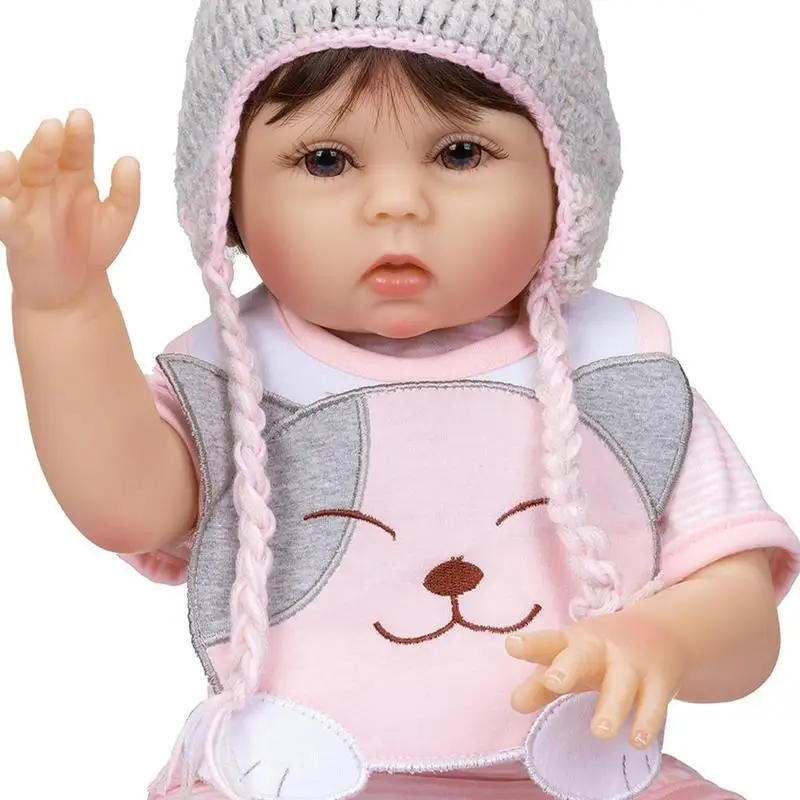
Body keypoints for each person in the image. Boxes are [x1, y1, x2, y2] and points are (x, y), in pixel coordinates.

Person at [1, 1, 797, 798]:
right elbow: (127, 509)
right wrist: (64, 311)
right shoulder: (233, 379)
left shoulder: (618, 370)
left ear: (566, 181)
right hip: (290, 776)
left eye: (459, 152)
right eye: (325, 160)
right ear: (226, 197)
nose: (396, 203)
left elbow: (742, 617)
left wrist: (663, 640)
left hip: (583, 774)